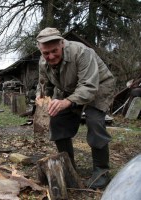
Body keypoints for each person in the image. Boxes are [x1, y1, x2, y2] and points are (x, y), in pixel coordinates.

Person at [35, 27, 115, 189]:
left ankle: (101, 171)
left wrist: (67, 102)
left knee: (94, 121)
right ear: (40, 50)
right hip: (70, 89)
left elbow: (88, 86)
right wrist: (41, 96)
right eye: (46, 53)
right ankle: (68, 166)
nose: (50, 56)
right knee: (57, 119)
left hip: (98, 86)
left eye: (54, 51)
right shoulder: (43, 62)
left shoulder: (82, 53)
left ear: (62, 43)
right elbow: (44, 84)